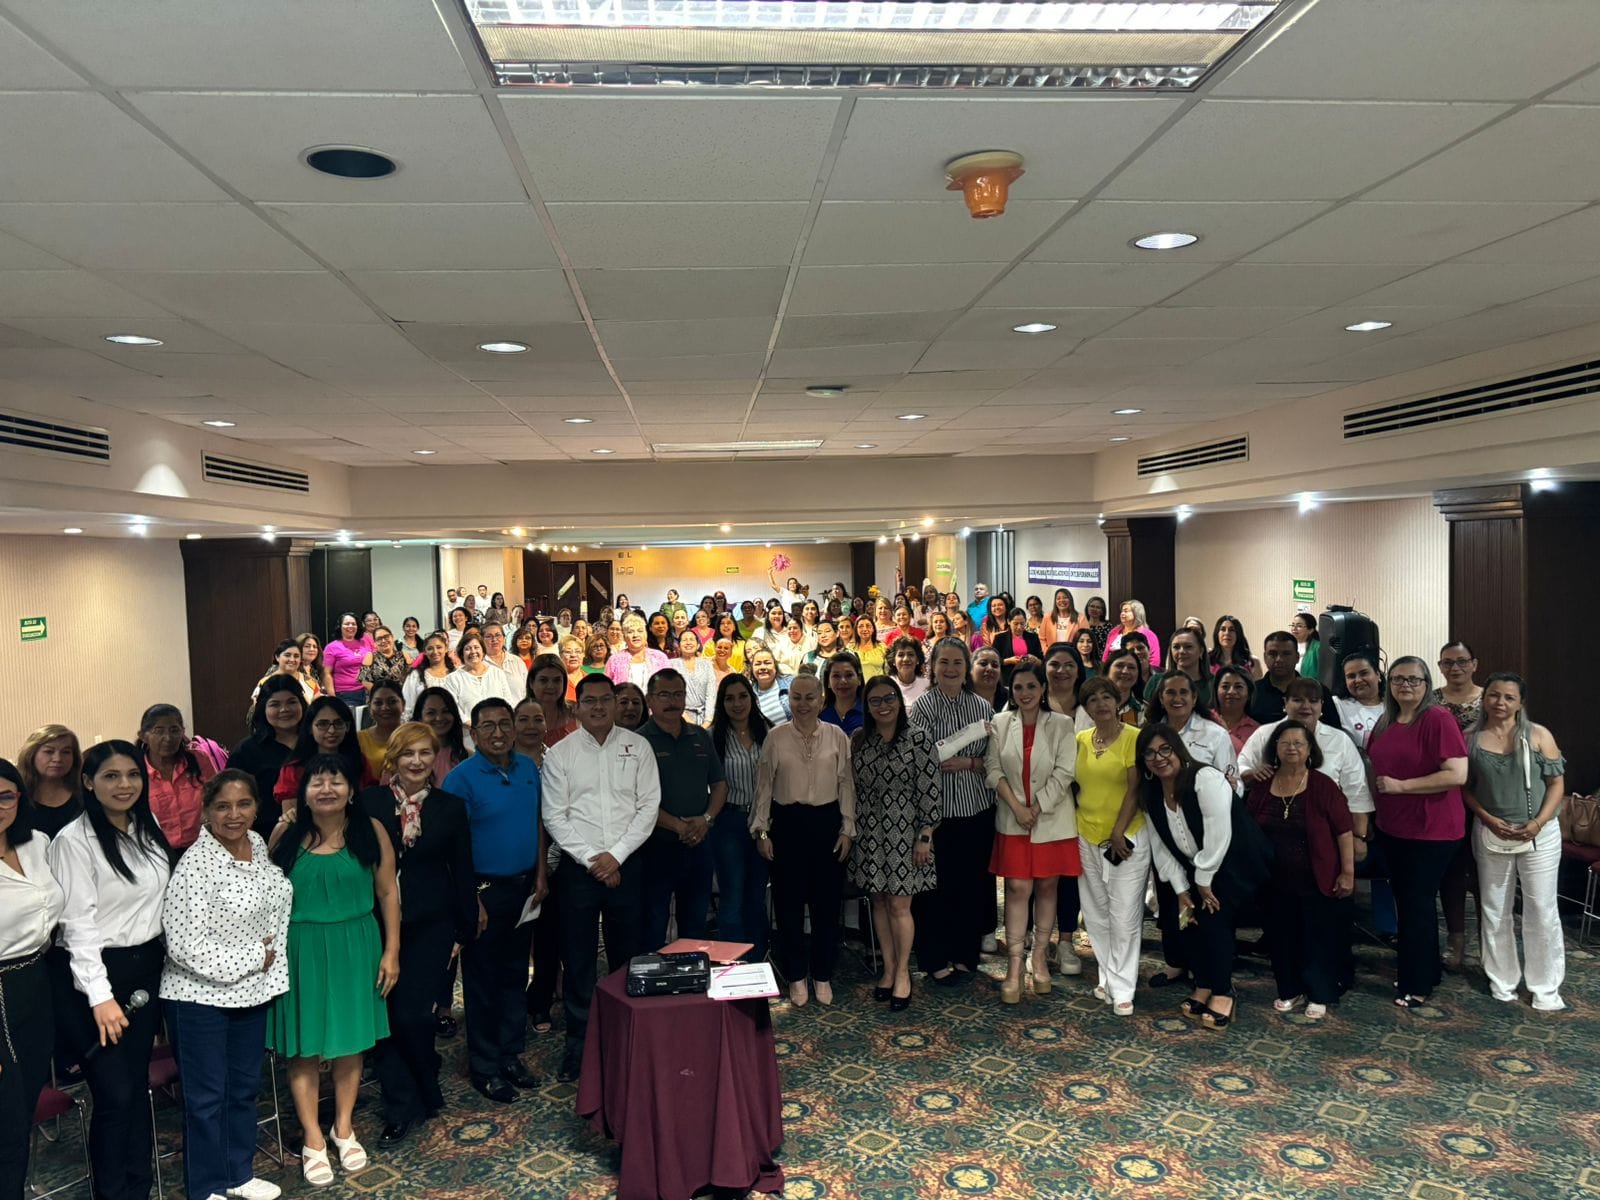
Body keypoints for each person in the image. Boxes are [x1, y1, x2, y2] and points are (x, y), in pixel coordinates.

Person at [49, 740, 175, 1200]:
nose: (125, 785)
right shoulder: (73, 841)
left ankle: (138, 1186)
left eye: (133, 774)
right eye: (111, 776)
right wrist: (100, 997)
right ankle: (113, 1192)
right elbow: (77, 926)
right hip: (93, 978)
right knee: (115, 1094)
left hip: (145, 968)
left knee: (135, 1087)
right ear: (88, 782)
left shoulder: (146, 824)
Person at [160, 770, 292, 1200]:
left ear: (256, 807)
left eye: (243, 804)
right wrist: (257, 957)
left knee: (243, 1089)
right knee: (206, 1098)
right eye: (222, 806)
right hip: (199, 998)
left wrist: (266, 962)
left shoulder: (256, 845)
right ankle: (206, 1187)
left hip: (250, 992)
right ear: (206, 811)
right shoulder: (196, 865)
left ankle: (238, 1174)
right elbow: (184, 946)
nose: (234, 815)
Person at [267, 756, 399, 1185]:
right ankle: (312, 1138)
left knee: (350, 1043)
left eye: (336, 781)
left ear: (351, 790)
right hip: (299, 948)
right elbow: (265, 897)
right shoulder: (285, 834)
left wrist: (392, 951)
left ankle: (343, 1127)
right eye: (317, 782)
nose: (327, 789)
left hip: (356, 945)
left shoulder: (370, 831)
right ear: (303, 793)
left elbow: (387, 893)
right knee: (304, 1046)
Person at [360, 724, 478, 1142]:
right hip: (376, 923)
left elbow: (462, 869)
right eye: (407, 753)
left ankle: (423, 1077)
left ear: (435, 758)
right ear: (393, 758)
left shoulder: (450, 807)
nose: (416, 761)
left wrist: (464, 927)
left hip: (433, 923)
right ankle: (402, 1104)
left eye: (425, 753)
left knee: (412, 1013)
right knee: (386, 1016)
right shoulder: (369, 803)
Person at [543, 674, 660, 1083]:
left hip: (628, 865)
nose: (597, 707)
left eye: (605, 700)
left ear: (615, 702)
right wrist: (595, 860)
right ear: (576, 707)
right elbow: (555, 815)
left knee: (627, 955)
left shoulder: (638, 746)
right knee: (578, 958)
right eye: (589, 701)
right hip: (579, 870)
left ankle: (627, 1033)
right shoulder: (560, 754)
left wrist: (617, 856)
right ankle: (580, 1042)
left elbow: (648, 806)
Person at [443, 699, 546, 1103]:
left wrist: (541, 874)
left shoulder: (528, 769)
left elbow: (537, 822)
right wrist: (471, 899)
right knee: (483, 980)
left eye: (505, 724)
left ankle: (510, 1054)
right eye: (488, 726)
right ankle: (485, 1067)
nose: (498, 733)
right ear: (473, 733)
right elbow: (453, 848)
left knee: (515, 974)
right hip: (484, 891)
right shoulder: (461, 779)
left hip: (525, 888)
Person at [1139, 725, 1271, 1030]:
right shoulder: (1150, 793)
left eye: (1165, 749)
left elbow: (1218, 835)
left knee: (1214, 920)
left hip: (1232, 862)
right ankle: (1204, 983)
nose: (1159, 758)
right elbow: (1161, 846)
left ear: (1178, 749)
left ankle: (1223, 991)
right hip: (1193, 865)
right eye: (1149, 753)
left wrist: (1202, 881)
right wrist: (1181, 889)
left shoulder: (1205, 778)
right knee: (1187, 919)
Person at [1368, 658, 1469, 1009]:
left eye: (1413, 679)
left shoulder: (1437, 719)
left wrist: (1403, 786)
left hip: (1432, 831)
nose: (1405, 685)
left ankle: (1417, 983)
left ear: (1426, 683)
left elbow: (1457, 774)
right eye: (1397, 679)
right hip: (1393, 827)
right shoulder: (1386, 721)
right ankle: (1426, 971)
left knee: (1416, 905)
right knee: (1409, 904)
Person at [1464, 673, 1566, 1012]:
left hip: (1540, 834)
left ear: (1520, 702)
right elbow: (1465, 788)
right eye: (1494, 695)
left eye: (1509, 697)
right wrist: (1488, 818)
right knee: (1495, 908)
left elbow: (1556, 784)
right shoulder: (1469, 739)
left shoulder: (1539, 735)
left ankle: (1545, 987)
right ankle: (1502, 981)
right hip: (1491, 831)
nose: (1500, 703)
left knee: (1541, 909)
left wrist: (1538, 822)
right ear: (1484, 699)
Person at [752, 673, 855, 1008]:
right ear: (789, 700)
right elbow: (764, 786)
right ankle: (796, 975)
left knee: (827, 907)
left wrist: (847, 829)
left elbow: (846, 784)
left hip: (827, 825)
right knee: (789, 907)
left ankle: (822, 975)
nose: (803, 704)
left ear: (821, 699)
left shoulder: (837, 736)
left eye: (810, 697)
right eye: (796, 697)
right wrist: (762, 831)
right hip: (787, 825)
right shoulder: (775, 737)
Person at [1244, 722, 1355, 1020]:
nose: (1291, 748)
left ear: (1310, 750)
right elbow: (1248, 829)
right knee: (1280, 936)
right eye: (1285, 742)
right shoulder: (1262, 785)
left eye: (1299, 743)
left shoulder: (1323, 785)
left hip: (1316, 877)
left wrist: (1347, 872)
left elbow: (1344, 831)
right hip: (1273, 880)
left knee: (1315, 937)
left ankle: (1319, 992)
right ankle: (1289, 988)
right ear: (1275, 748)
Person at [986, 660, 1078, 1005]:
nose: (1025, 693)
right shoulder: (999, 722)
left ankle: (1038, 957)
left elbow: (1065, 772)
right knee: (1017, 888)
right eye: (1018, 687)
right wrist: (1017, 807)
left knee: (1047, 886)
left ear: (1042, 689)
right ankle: (1013, 965)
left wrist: (1036, 808)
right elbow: (993, 769)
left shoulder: (1062, 724)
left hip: (1051, 820)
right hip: (1013, 819)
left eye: (1031, 686)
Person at [908, 638, 995, 988]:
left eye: (958, 662)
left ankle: (965, 953)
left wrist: (970, 762)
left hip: (977, 809)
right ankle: (934, 958)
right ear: (932, 667)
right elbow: (919, 757)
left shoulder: (982, 707)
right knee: (935, 890)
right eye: (944, 662)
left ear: (967, 667)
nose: (951, 669)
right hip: (937, 814)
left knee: (971, 885)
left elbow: (995, 757)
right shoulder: (923, 706)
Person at [850, 675, 939, 1012]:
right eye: (875, 700)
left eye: (889, 698)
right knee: (879, 901)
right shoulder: (860, 739)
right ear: (867, 706)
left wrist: (925, 835)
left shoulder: (919, 738)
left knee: (900, 906)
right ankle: (887, 969)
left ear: (899, 701)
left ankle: (903, 973)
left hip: (907, 834)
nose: (883, 706)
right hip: (870, 834)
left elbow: (931, 790)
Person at [0, 757, 66, 1200]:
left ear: (19, 799)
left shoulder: (37, 843)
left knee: (22, 1110)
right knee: (5, 1116)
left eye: (5, 796)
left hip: (37, 981)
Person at [638, 671, 726, 950]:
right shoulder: (639, 741)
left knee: (695, 923)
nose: (672, 702)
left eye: (678, 694)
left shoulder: (700, 736)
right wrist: (678, 826)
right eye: (664, 695)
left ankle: (691, 973)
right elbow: (635, 799)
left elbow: (719, 784)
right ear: (650, 700)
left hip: (699, 844)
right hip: (656, 847)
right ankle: (653, 973)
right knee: (653, 922)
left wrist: (706, 820)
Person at [1073, 678, 1143, 1016]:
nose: (1100, 704)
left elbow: (1135, 789)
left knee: (1124, 914)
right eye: (1092, 700)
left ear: (1118, 702)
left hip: (1126, 838)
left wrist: (1118, 831)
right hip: (1086, 835)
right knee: (1096, 913)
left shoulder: (1134, 737)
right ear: (1085, 708)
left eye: (1106, 697)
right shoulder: (1081, 740)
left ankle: (1124, 987)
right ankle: (1107, 974)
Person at [708, 675, 773, 962]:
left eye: (742, 696)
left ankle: (757, 962)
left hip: (763, 823)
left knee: (756, 897)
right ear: (722, 703)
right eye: (730, 698)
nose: (737, 703)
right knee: (732, 897)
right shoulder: (713, 737)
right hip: (729, 822)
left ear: (752, 698)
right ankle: (732, 965)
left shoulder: (768, 732)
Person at [1432, 640, 1483, 970]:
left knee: (1483, 874)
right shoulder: (1431, 699)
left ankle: (1490, 943)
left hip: (1484, 793)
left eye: (1462, 661)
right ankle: (1456, 940)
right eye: (1448, 662)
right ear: (1440, 667)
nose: (1455, 668)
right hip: (1444, 794)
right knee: (1451, 871)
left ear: (1474, 664)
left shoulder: (1490, 698)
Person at [137, 702, 223, 852]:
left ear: (183, 732)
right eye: (159, 731)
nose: (168, 738)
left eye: (174, 730)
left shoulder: (199, 759)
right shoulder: (135, 770)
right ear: (143, 736)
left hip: (201, 847)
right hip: (155, 852)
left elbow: (217, 796)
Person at [230, 675, 303, 833]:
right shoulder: (247, 750)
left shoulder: (316, 742)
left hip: (317, 831)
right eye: (275, 704)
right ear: (263, 708)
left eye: (292, 702)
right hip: (263, 833)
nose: (284, 710)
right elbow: (231, 794)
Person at [273, 696, 370, 810]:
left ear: (347, 726)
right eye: (323, 724)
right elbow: (290, 815)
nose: (332, 731)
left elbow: (369, 803)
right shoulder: (293, 769)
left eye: (338, 723)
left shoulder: (359, 761)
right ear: (310, 728)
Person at [18, 724, 84, 840]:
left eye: (66, 752)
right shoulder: (16, 795)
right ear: (31, 754)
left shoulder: (85, 793)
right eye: (49, 752)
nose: (58, 759)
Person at [446, 630, 521, 716]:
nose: (473, 652)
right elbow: (453, 708)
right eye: (467, 649)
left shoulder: (497, 673)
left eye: (476, 647)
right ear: (462, 654)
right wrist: (470, 723)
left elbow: (508, 702)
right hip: (469, 724)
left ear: (483, 651)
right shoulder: (453, 679)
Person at [1144, 628, 1213, 710]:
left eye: (1188, 647)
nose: (1181, 651)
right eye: (1176, 647)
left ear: (1201, 651)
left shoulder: (1214, 684)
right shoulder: (1156, 682)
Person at [414, 687, 470, 786]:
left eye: (446, 711)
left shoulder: (467, 756)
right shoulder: (408, 758)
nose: (439, 718)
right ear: (419, 718)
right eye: (431, 713)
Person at [1249, 631, 1305, 724]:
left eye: (1286, 654)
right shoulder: (1251, 693)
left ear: (1297, 657)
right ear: (1265, 657)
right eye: (1273, 654)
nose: (1279, 659)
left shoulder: (1316, 692)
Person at [606, 614, 671, 690]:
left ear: (645, 634)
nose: (635, 635)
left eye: (640, 631)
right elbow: (606, 688)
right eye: (630, 632)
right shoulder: (614, 660)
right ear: (624, 637)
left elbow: (670, 684)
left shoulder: (660, 657)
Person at [357, 682, 406, 780]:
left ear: (403, 704)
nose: (385, 708)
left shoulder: (415, 736)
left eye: (392, 702)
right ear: (370, 707)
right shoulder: (358, 740)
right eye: (378, 703)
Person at [1212, 666, 1261, 756]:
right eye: (1225, 686)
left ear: (1249, 693)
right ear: (1216, 691)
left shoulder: (1257, 731)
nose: (1231, 692)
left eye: (1238, 687)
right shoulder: (1203, 719)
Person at [322, 613, 370, 704]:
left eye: (353, 624)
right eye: (347, 624)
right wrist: (332, 698)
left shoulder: (364, 644)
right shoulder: (331, 647)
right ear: (340, 627)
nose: (350, 626)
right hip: (344, 694)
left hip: (366, 692)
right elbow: (327, 673)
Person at [402, 632, 455, 711]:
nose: (435, 652)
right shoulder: (416, 675)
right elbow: (408, 705)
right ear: (425, 652)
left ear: (446, 648)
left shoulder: (456, 674)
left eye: (439, 647)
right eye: (430, 648)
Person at [1103, 599, 1161, 669]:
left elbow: (1154, 660)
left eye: (1126, 611)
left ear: (1137, 613)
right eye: (1122, 611)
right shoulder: (1114, 632)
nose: (1122, 613)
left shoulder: (1148, 634)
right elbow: (1105, 656)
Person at [994, 609, 1043, 686]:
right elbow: (994, 660)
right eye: (1016, 624)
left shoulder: (1033, 637)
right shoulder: (1000, 638)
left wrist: (1035, 660)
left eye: (1022, 623)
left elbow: (1042, 661)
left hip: (1030, 677)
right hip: (1008, 679)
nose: (1019, 627)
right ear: (1009, 621)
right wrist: (1008, 661)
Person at [480, 623, 529, 701]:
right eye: (489, 636)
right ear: (482, 640)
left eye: (498, 635)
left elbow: (527, 690)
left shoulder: (517, 661)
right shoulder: (480, 664)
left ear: (504, 638)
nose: (494, 639)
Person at [821, 652, 866, 735]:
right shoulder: (820, 715)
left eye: (849, 675)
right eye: (836, 676)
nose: (843, 681)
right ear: (828, 682)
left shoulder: (870, 711)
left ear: (859, 679)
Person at [360, 626, 411, 695]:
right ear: (375, 643)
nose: (383, 641)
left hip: (401, 696)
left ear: (392, 637)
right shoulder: (370, 656)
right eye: (379, 639)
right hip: (379, 696)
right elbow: (364, 680)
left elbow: (412, 676)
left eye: (386, 637)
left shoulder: (404, 655)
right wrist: (382, 694)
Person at [748, 647, 791, 726]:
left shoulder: (791, 683)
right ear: (752, 669)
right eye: (757, 664)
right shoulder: (748, 695)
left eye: (767, 663)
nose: (762, 667)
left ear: (775, 666)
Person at [1209, 615, 1262, 680]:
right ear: (1217, 634)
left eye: (1231, 630)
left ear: (1238, 634)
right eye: (1223, 629)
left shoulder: (1253, 662)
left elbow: (1258, 686)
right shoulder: (1208, 661)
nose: (1227, 633)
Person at [1104, 648, 1143, 725]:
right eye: (1119, 666)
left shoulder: (1143, 709)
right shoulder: (1092, 704)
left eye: (1131, 667)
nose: (1125, 671)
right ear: (1107, 670)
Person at [888, 636, 929, 709]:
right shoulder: (886, 686)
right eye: (901, 655)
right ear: (893, 661)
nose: (906, 659)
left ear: (917, 660)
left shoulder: (928, 685)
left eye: (910, 654)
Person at [970, 645, 1006, 712]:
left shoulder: (1010, 698)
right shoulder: (958, 697)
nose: (989, 669)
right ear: (970, 669)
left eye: (995, 665)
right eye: (983, 664)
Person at [294, 633, 326, 702]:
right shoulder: (292, 669)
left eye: (315, 647)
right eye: (307, 646)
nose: (312, 649)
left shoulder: (318, 669)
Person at [1291, 612, 1322, 681]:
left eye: (1299, 626)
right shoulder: (1289, 645)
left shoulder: (1318, 647)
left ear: (1310, 630)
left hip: (1310, 685)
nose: (1294, 628)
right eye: (1293, 625)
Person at [1082, 597, 1112, 663]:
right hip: (1086, 660)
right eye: (1092, 606)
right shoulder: (1082, 625)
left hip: (1105, 661)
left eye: (1098, 607)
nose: (1094, 609)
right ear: (1087, 608)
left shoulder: (1108, 626)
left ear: (1102, 611)